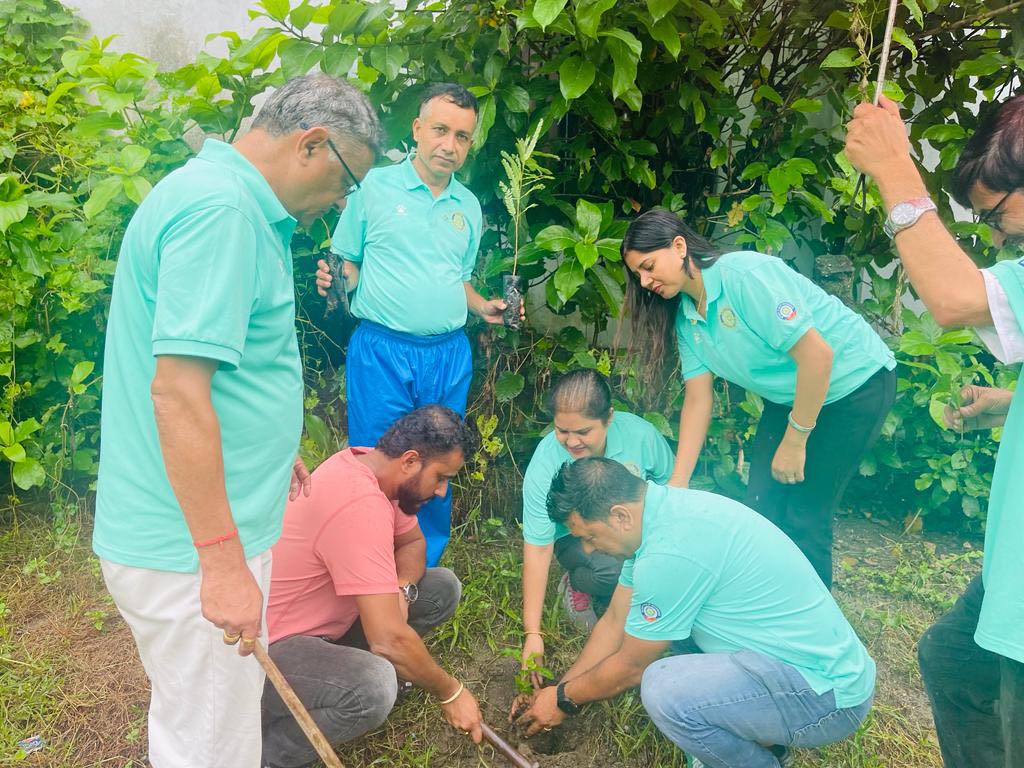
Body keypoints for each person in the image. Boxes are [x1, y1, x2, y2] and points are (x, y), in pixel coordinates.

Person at [91, 74, 381, 768]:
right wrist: (221, 565)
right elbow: (178, 395)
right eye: (347, 184)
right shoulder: (221, 212)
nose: (342, 206)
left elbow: (220, 370)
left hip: (198, 533)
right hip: (188, 548)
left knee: (206, 721)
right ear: (312, 143)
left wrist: (271, 445)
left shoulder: (228, 202)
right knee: (211, 746)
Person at [845, 93, 1024, 768]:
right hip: (1013, 569)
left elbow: (950, 298)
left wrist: (894, 164)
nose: (998, 236)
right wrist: (1010, 400)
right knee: (952, 660)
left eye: (995, 213)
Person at [515, 457, 876, 768]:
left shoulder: (669, 553)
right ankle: (762, 732)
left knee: (663, 690)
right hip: (804, 667)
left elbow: (631, 668)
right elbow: (613, 623)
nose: (590, 550)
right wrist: (560, 690)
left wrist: (564, 700)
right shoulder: (661, 518)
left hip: (825, 697)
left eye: (590, 537)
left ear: (620, 515)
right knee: (660, 636)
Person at [620, 209, 896, 587]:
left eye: (648, 266)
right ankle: (765, 611)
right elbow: (699, 400)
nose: (645, 281)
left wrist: (796, 439)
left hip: (854, 385)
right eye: (638, 275)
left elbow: (818, 355)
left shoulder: (744, 277)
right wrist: (678, 484)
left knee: (805, 516)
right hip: (791, 396)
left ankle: (811, 636)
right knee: (762, 511)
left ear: (679, 246)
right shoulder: (687, 317)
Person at [315, 83, 519, 568]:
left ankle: (422, 567)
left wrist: (483, 307)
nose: (450, 146)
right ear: (418, 129)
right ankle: (367, 561)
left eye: (463, 137)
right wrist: (333, 278)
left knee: (437, 462)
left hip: (448, 354)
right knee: (378, 457)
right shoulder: (372, 189)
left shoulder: (468, 206)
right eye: (441, 131)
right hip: (382, 351)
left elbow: (457, 281)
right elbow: (347, 265)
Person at [262, 405, 483, 767]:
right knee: (373, 686)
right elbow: (388, 638)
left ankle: (384, 673)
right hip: (274, 647)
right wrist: (451, 692)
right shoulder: (359, 503)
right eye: (441, 477)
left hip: (327, 622)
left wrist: (402, 589)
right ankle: (264, 754)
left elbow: (413, 545)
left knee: (441, 587)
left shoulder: (373, 471)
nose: (442, 492)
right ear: (411, 461)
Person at [519, 369, 674, 683]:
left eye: (584, 432)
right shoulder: (545, 463)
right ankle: (578, 581)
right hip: (577, 538)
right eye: (562, 431)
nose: (571, 442)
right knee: (611, 572)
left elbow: (670, 485)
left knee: (652, 572)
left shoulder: (641, 436)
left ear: (610, 418)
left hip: (631, 531)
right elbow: (538, 549)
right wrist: (533, 633)